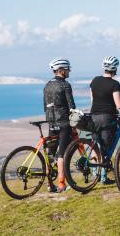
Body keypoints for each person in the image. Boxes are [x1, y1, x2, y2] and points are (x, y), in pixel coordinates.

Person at [89, 56, 120, 184]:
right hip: (107, 118)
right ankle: (103, 177)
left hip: (93, 116)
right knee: (105, 147)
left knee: (95, 145)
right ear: (115, 69)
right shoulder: (114, 84)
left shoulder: (95, 80)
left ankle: (95, 175)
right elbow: (119, 104)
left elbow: (92, 100)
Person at [43, 57, 75, 192]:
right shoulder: (65, 85)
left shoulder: (47, 85)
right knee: (62, 154)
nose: (69, 71)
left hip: (51, 123)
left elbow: (45, 106)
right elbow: (71, 106)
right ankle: (61, 184)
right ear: (61, 70)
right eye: (68, 69)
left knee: (51, 154)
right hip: (63, 123)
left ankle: (50, 185)